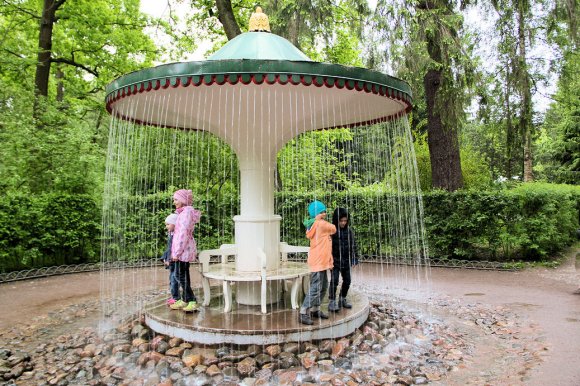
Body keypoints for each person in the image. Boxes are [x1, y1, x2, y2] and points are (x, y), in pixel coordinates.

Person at [299, 200, 336, 325]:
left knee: (323, 285)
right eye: (323, 212)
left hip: (321, 261)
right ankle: (303, 311)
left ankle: (315, 309)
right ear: (318, 213)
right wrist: (319, 219)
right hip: (318, 261)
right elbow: (334, 228)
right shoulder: (320, 224)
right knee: (316, 287)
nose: (325, 213)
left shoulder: (315, 223)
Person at [169, 189, 202, 312]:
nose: (174, 202)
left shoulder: (186, 214)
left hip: (182, 251)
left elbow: (182, 235)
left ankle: (191, 300)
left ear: (183, 200)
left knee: (180, 275)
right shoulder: (184, 213)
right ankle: (185, 299)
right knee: (183, 275)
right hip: (183, 250)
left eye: (176, 199)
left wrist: (176, 253)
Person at [328, 207, 359, 312]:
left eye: (345, 221)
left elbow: (353, 245)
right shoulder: (332, 231)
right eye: (341, 221)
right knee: (334, 281)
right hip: (335, 261)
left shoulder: (349, 231)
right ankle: (332, 301)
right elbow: (327, 246)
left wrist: (354, 258)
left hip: (346, 260)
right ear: (337, 220)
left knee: (347, 281)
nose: (343, 223)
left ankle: (342, 298)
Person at [160, 213, 179, 306]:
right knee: (172, 279)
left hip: (175, 261)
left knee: (174, 279)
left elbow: (173, 249)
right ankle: (175, 297)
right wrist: (165, 257)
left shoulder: (177, 236)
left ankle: (176, 298)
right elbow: (168, 248)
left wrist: (168, 259)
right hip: (171, 261)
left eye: (168, 224)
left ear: (175, 224)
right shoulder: (171, 234)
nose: (166, 226)